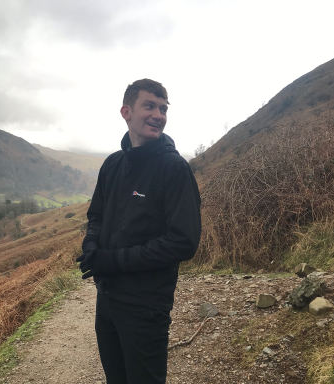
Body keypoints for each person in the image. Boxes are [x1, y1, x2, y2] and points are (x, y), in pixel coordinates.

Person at [76, 79, 201, 384]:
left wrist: (113, 261)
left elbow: (183, 242)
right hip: (107, 299)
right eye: (150, 106)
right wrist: (92, 243)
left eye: (163, 108)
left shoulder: (173, 169)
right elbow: (97, 215)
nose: (158, 114)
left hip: (146, 306)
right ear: (126, 111)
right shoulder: (112, 165)